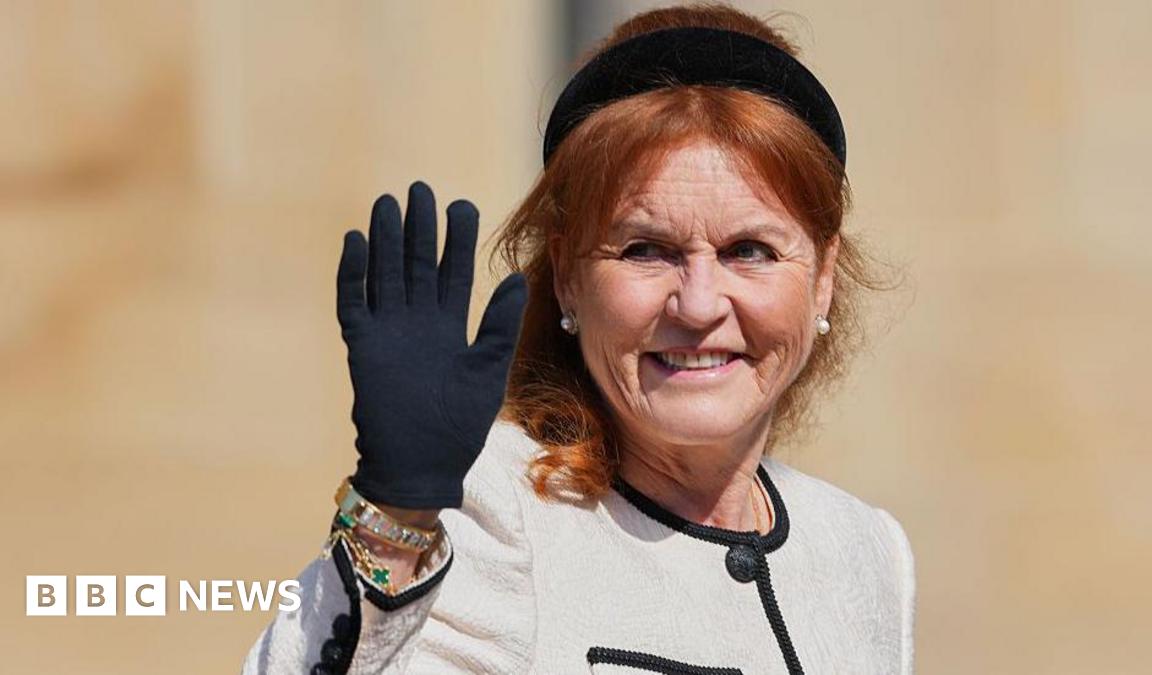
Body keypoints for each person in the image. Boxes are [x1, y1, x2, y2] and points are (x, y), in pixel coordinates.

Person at [243, 4, 914, 674]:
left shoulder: (867, 549)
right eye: (646, 250)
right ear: (567, 278)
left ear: (822, 279)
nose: (700, 303)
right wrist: (395, 517)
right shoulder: (494, 508)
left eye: (750, 250)